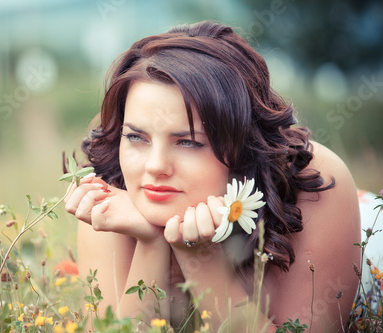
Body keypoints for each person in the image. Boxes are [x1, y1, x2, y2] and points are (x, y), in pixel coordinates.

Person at [64, 20, 361, 332]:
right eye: (137, 137)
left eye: (188, 142)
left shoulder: (314, 182)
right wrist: (150, 241)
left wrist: (199, 255)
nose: (155, 166)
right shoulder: (111, 191)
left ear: (243, 145)